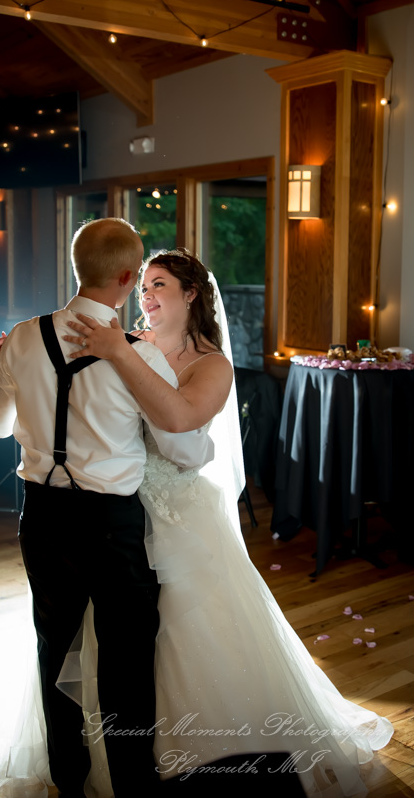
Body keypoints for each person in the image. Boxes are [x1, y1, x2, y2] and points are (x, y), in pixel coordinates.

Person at [60, 247, 394, 798]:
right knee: (112, 630)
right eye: (142, 285)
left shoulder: (210, 364)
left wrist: (122, 355)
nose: (145, 295)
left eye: (158, 283)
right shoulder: (130, 345)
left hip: (178, 512)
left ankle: (199, 751)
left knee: (183, 623)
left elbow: (181, 428)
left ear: (191, 295)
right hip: (114, 509)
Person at [0, 220, 214, 798]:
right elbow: (182, 447)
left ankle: (68, 778)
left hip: (41, 516)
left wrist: (8, 369)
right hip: (112, 525)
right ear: (129, 278)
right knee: (126, 659)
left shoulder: (22, 337)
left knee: (53, 643)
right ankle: (132, 783)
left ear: (77, 266)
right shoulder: (140, 355)